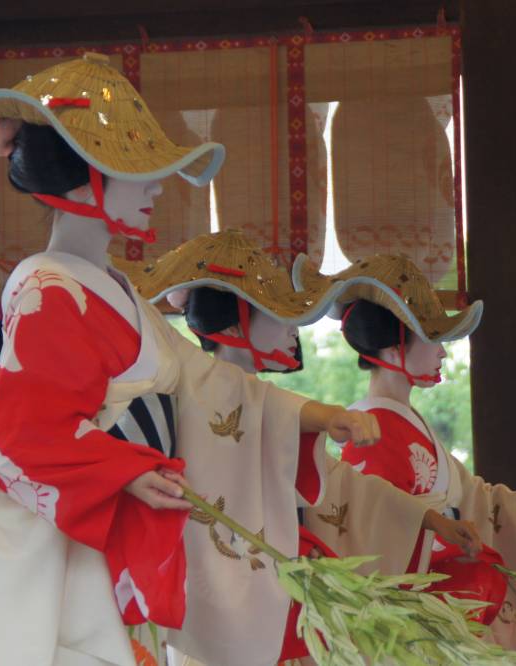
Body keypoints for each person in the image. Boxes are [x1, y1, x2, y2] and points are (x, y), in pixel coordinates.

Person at [0, 53, 380, 666]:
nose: (157, 187)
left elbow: (208, 381)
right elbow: (21, 435)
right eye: (137, 171)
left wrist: (313, 414)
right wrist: (122, 471)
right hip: (89, 538)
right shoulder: (49, 290)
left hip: (124, 525)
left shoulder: (111, 288)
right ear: (85, 175)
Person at [119, 230, 484, 664]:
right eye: (277, 313)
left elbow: (342, 484)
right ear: (236, 323)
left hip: (271, 598)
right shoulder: (198, 399)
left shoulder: (263, 408)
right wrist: (329, 416)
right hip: (216, 602)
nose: (293, 328)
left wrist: (424, 518)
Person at [294, 254, 516, 661]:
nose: (443, 354)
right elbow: (375, 535)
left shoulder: (406, 421)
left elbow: (477, 498)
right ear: (396, 342)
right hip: (422, 625)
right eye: (432, 339)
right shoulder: (371, 428)